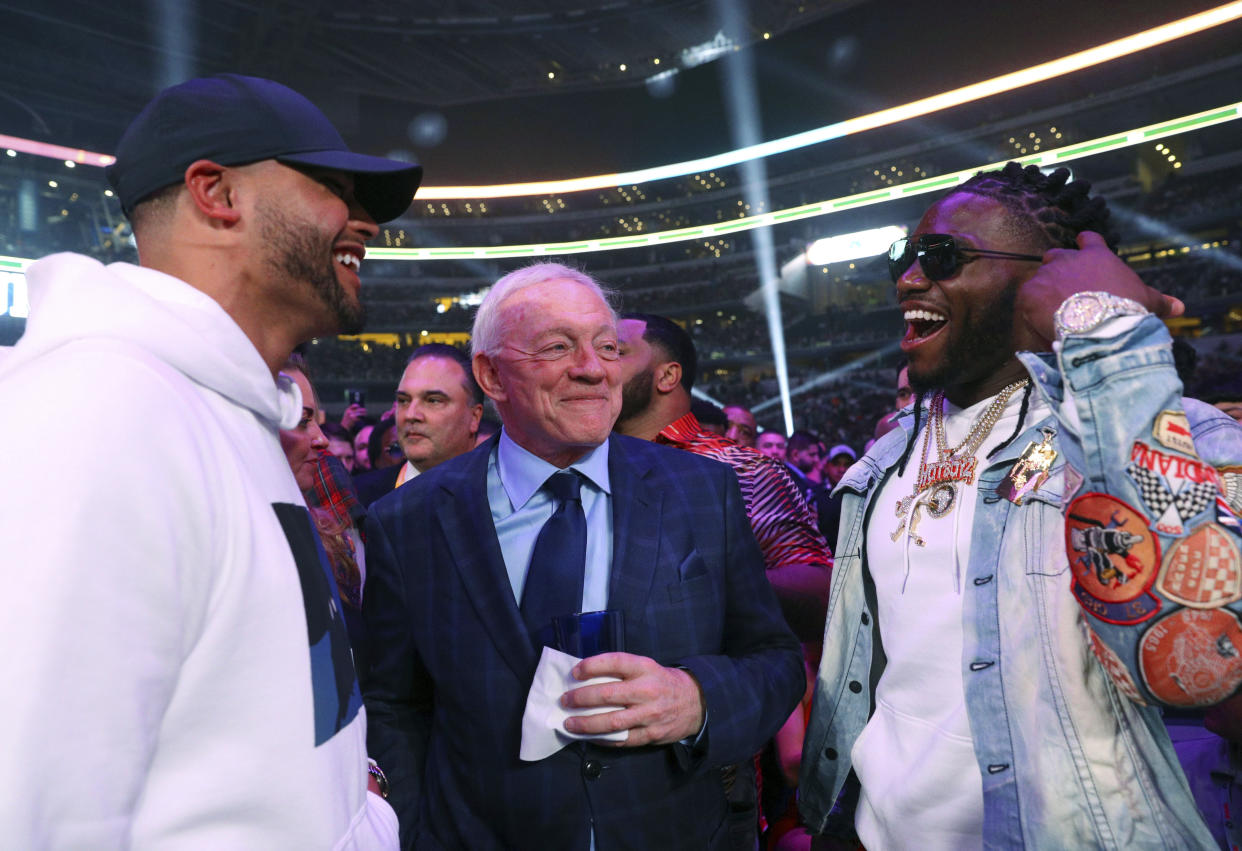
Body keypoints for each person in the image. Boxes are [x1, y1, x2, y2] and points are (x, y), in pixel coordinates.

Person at [0, 74, 422, 847]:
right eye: (331, 185)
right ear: (216, 192)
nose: (362, 220)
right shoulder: (98, 409)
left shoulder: (220, 408)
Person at [799, 162, 1242, 849]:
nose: (909, 279)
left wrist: (1103, 339)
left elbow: (1198, 662)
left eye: (942, 257)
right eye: (906, 257)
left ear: (1046, 273)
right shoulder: (884, 459)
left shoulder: (1185, 435)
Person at [361, 262, 803, 850]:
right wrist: (411, 835)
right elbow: (394, 704)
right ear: (491, 375)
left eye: (607, 346)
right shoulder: (407, 521)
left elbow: (774, 660)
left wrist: (697, 700)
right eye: (558, 347)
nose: (593, 369)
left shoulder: (703, 491)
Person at [613, 311, 832, 643]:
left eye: (614, 351)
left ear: (667, 376)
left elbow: (821, 590)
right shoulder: (584, 461)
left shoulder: (741, 469)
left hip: (710, 682)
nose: (594, 366)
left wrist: (710, 583)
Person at [354, 343, 483, 507]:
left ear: (474, 417)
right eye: (403, 401)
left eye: (433, 400)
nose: (411, 415)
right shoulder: (356, 498)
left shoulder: (501, 495)